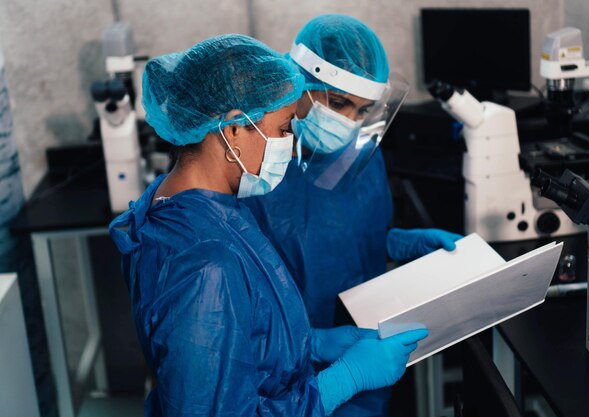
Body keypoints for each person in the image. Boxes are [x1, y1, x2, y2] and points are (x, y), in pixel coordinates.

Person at [109, 34, 428, 416]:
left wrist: (315, 343)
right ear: (233, 132)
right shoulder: (205, 267)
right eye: (283, 129)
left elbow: (240, 334)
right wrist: (344, 380)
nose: (290, 142)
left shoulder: (198, 204)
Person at [243, 14, 463, 416]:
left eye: (362, 110)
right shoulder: (256, 164)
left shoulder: (360, 155)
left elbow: (351, 235)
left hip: (362, 356)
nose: (347, 123)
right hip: (281, 374)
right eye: (339, 102)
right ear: (298, 82)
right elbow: (239, 300)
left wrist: (399, 241)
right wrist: (313, 345)